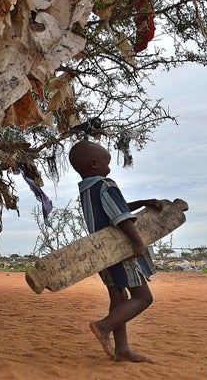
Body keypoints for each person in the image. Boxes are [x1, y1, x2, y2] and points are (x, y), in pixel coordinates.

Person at [68, 140, 162, 363]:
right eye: (107, 162)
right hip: (120, 251)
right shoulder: (105, 184)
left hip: (101, 254)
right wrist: (137, 242)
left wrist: (142, 201)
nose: (109, 167)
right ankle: (104, 326)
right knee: (143, 297)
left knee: (118, 298)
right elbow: (120, 217)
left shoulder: (87, 191)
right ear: (94, 164)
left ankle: (122, 350)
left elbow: (117, 206)